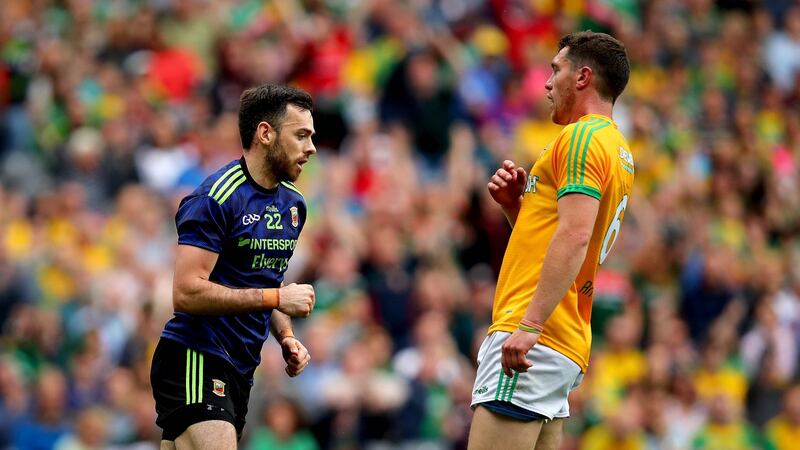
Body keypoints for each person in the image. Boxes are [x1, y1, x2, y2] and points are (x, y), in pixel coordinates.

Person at [468, 31, 633, 450]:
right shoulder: (615, 148)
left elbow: (576, 236)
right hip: (562, 337)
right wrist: (515, 209)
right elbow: (567, 233)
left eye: (555, 70)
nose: (546, 82)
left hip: (535, 337)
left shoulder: (582, 137)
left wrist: (530, 325)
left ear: (583, 77)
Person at [150, 84, 318, 450]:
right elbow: (186, 292)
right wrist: (277, 296)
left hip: (241, 369)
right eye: (301, 135)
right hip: (196, 356)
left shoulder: (294, 205)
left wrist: (286, 336)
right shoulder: (215, 198)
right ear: (265, 133)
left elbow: (261, 283)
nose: (311, 148)